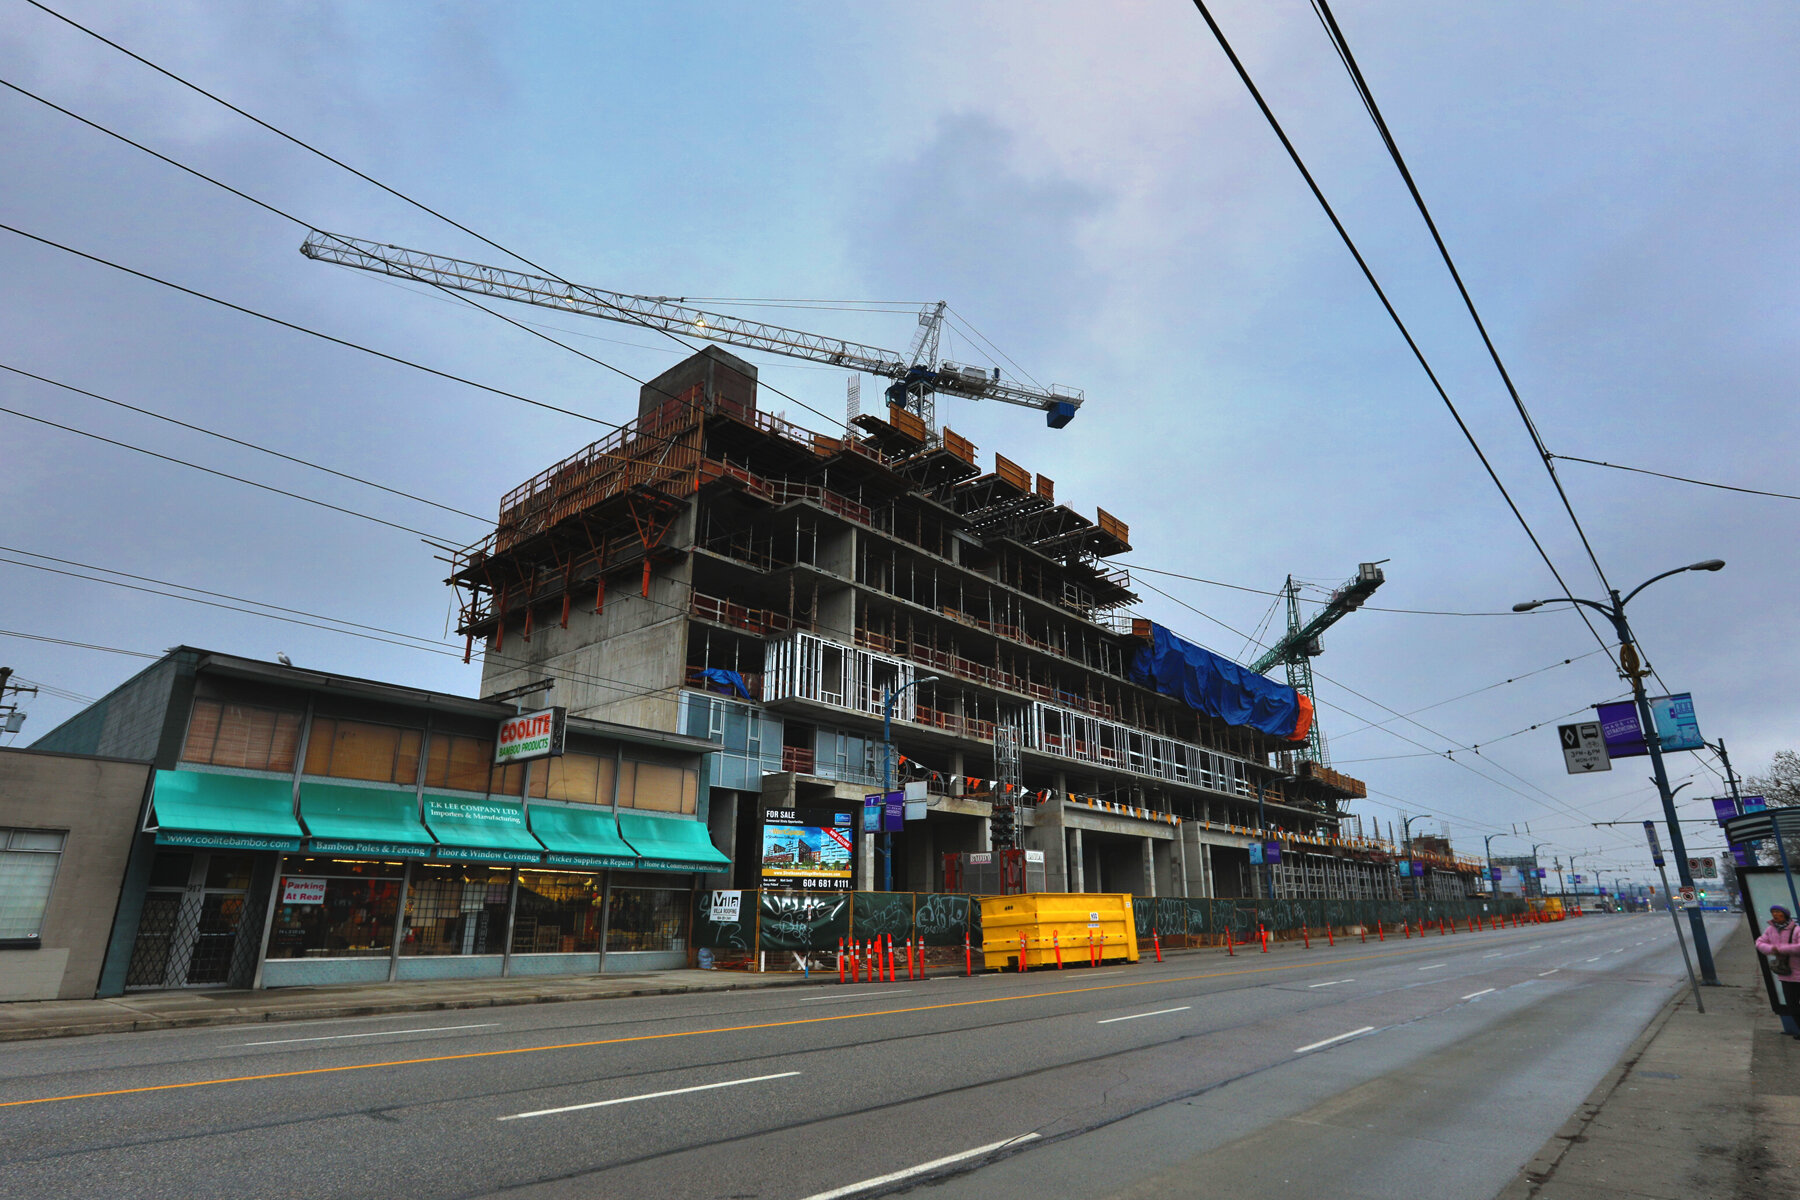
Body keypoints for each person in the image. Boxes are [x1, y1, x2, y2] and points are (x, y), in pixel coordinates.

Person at [1755, 903, 1800, 1037]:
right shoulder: (1771, 930)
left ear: (1785, 914)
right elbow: (1759, 943)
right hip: (1785, 974)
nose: (1775, 915)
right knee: (1792, 1006)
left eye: (1778, 912)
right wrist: (1770, 949)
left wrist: (1780, 949)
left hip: (1798, 972)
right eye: (1773, 912)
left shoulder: (1796, 930)